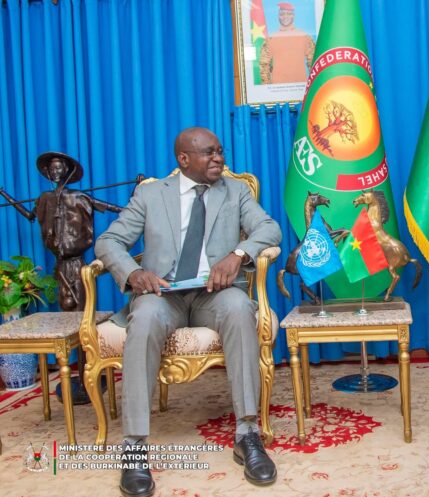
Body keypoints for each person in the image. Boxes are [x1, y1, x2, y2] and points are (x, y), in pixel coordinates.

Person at [95, 127, 282, 497]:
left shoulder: (235, 191)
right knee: (143, 318)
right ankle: (134, 447)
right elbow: (109, 240)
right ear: (184, 159)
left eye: (220, 151)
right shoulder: (150, 194)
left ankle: (248, 435)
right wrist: (133, 273)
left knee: (241, 309)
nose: (219, 159)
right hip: (163, 295)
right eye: (209, 153)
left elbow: (269, 228)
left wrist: (238, 254)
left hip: (215, 293)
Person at [0, 152, 122, 312]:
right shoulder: (44, 198)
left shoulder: (79, 196)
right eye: (52, 169)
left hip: (77, 263)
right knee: (65, 305)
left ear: (66, 170)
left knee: (81, 306)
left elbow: (115, 208)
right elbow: (30, 215)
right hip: (60, 263)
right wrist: (5, 195)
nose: (55, 172)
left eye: (58, 168)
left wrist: (138, 192)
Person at [259, 2, 316, 84]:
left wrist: (313, 85)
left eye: (289, 14)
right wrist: (267, 86)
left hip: (300, 88)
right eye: (282, 14)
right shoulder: (271, 39)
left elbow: (313, 63)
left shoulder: (304, 37)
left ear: (293, 15)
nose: (285, 17)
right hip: (277, 88)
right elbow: (264, 64)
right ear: (278, 16)